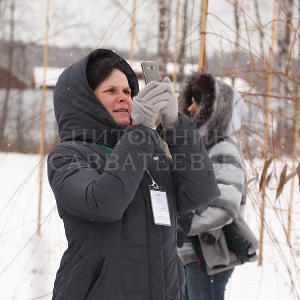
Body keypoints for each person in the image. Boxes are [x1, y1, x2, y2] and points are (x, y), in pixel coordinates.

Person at [47, 49, 220, 300]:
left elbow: (199, 193)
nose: (123, 98)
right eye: (110, 91)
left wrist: (175, 125)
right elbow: (104, 203)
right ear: (85, 100)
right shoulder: (67, 156)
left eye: (128, 91)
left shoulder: (149, 153)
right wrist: (139, 132)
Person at [177, 73, 250, 300]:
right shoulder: (200, 148)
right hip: (193, 255)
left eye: (197, 102)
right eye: (190, 101)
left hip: (209, 254)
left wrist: (181, 227)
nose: (190, 108)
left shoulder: (222, 150)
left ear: (214, 109)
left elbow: (224, 208)